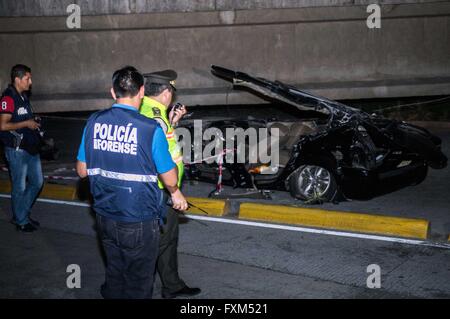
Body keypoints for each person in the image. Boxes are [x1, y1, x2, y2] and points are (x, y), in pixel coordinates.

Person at [76, 66, 188, 299]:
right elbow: (169, 176)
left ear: (112, 92)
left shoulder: (94, 121)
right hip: (139, 217)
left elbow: (82, 170)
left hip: (105, 214)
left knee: (115, 272)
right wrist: (175, 192)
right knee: (139, 281)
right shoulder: (149, 129)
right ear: (141, 91)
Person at [140, 70, 201, 299]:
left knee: (162, 240)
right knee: (163, 240)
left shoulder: (151, 111)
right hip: (161, 190)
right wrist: (174, 191)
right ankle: (158, 286)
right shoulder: (155, 115)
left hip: (158, 188)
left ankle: (170, 284)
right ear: (166, 92)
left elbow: (160, 143)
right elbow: (157, 157)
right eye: (171, 92)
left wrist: (173, 122)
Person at [0, 64, 43, 233]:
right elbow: (2, 125)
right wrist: (26, 123)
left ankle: (21, 213)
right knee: (20, 187)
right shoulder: (8, 98)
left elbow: (25, 117)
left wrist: (33, 120)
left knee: (37, 182)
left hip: (30, 147)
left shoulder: (23, 97)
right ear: (17, 79)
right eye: (27, 78)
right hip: (16, 150)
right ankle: (21, 220)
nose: (30, 82)